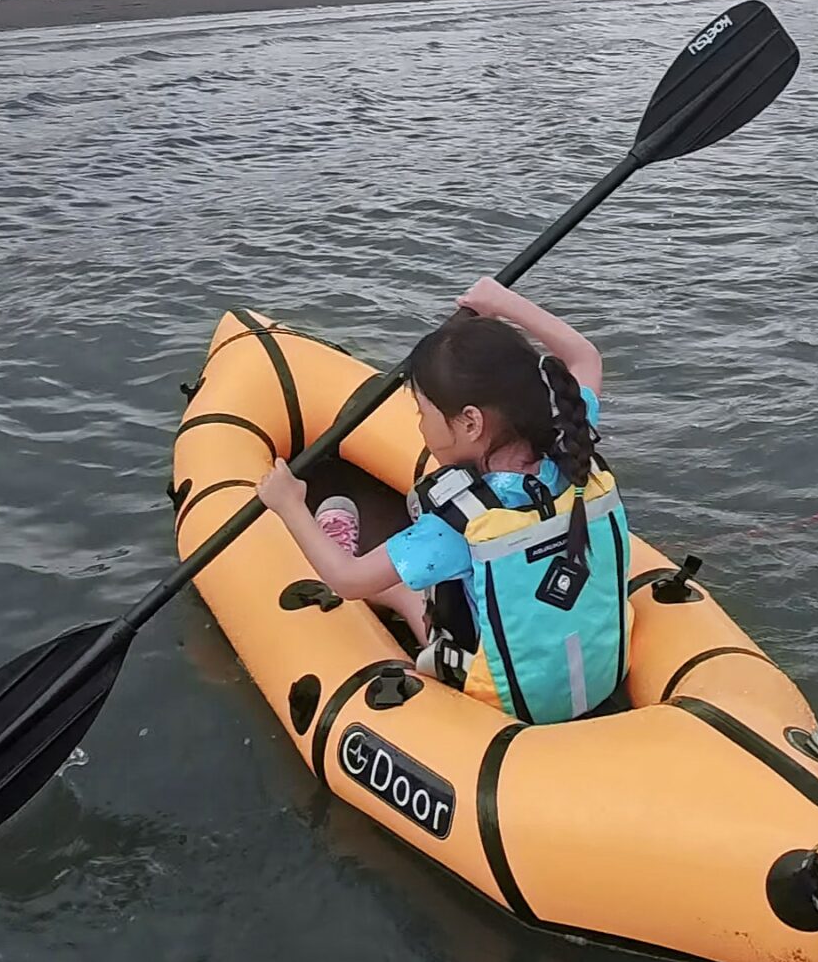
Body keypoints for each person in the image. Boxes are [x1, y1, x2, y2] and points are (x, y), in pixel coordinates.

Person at [256, 278, 630, 723]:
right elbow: (584, 355)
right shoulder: (572, 442)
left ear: (470, 422)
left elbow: (348, 581)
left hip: (507, 703)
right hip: (602, 673)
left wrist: (289, 503)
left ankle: (342, 540)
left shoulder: (462, 523)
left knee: (397, 585)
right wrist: (503, 302)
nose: (419, 425)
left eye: (423, 412)